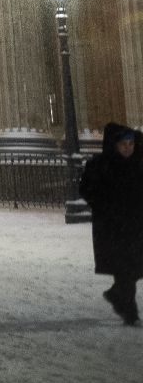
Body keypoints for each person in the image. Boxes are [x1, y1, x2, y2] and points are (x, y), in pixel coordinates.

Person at [79, 122, 142, 326]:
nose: (127, 147)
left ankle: (118, 297)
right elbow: (86, 190)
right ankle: (129, 311)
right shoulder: (101, 165)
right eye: (124, 143)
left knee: (131, 269)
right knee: (125, 270)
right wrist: (104, 207)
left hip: (134, 226)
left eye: (131, 143)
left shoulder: (137, 165)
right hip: (112, 227)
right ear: (115, 145)